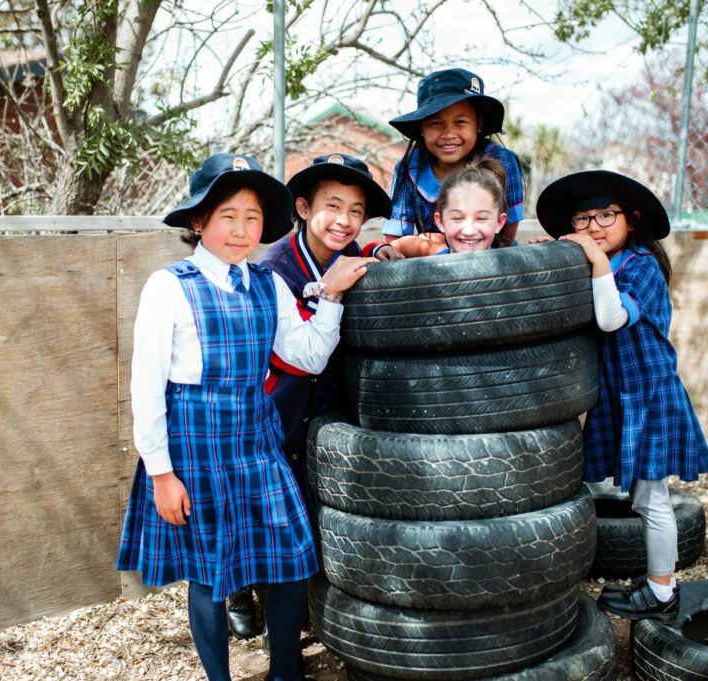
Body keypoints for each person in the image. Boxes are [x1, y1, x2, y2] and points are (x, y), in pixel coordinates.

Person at [116, 152, 376, 681]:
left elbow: (305, 355)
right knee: (211, 577)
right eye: (228, 215)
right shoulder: (170, 286)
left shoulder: (266, 283)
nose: (241, 230)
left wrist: (329, 298)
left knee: (287, 562)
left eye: (252, 218)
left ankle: (285, 672)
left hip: (257, 443)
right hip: (195, 447)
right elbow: (145, 388)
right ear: (198, 222)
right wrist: (162, 474)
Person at [214, 153, 395, 642]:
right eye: (333, 206)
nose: (344, 221)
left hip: (330, 404)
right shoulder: (271, 268)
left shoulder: (359, 260)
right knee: (258, 504)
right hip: (277, 402)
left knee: (308, 502)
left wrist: (380, 254)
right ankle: (239, 588)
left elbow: (373, 254)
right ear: (301, 206)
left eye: (356, 211)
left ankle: (299, 599)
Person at [535, 170, 708, 621]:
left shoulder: (641, 266)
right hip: (617, 396)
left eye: (605, 215)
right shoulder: (599, 263)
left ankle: (662, 592)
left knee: (652, 499)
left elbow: (612, 319)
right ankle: (657, 582)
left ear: (631, 220)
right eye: (582, 220)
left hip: (648, 396)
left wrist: (593, 260)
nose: (594, 227)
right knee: (636, 496)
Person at [379, 67, 525, 256]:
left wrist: (435, 244)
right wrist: (437, 250)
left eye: (460, 122)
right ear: (421, 128)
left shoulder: (503, 161)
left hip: (494, 260)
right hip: (432, 270)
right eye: (436, 123)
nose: (448, 134)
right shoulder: (409, 168)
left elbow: (506, 237)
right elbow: (394, 245)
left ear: (478, 124)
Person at [393, 156, 508, 257]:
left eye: (482, 218)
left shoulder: (513, 270)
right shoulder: (430, 271)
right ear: (440, 221)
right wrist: (376, 248)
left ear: (499, 222)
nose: (469, 231)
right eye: (457, 218)